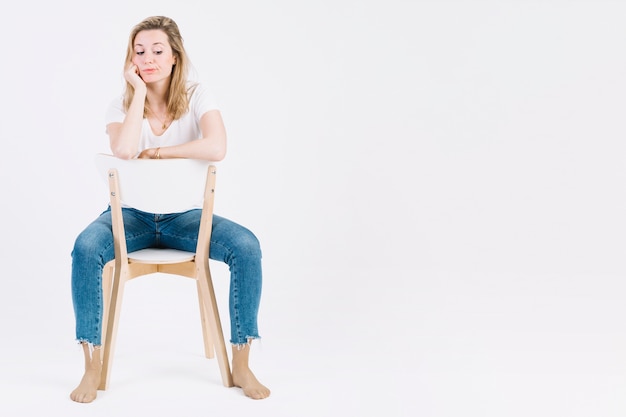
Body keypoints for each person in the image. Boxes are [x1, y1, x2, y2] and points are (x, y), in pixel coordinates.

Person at [70, 15, 270, 402]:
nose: (148, 58)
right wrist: (139, 94)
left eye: (158, 50)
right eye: (139, 51)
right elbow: (125, 151)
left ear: (175, 56)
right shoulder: (120, 105)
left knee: (246, 246)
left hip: (186, 219)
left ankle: (242, 361)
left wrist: (161, 152)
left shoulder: (197, 97)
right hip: (130, 217)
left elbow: (217, 147)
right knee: (85, 248)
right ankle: (90, 366)